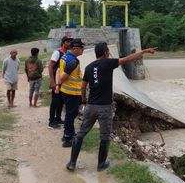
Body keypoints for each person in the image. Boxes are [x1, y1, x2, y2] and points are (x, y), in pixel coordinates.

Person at [66, 43, 157, 171]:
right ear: (105, 53)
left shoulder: (88, 67)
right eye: (108, 52)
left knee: (81, 134)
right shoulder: (108, 63)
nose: (109, 54)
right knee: (104, 136)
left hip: (91, 106)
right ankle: (101, 164)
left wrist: (83, 102)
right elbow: (128, 59)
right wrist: (144, 51)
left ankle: (72, 163)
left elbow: (82, 86)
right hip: (104, 107)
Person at [59, 38, 85, 147]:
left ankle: (68, 134)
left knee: (70, 114)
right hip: (71, 93)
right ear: (75, 49)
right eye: (81, 48)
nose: (83, 50)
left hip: (66, 91)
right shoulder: (72, 61)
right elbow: (62, 78)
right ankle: (68, 138)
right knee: (70, 115)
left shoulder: (65, 56)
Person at [47, 36, 72, 129]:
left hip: (63, 82)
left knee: (61, 101)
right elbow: (50, 66)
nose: (69, 43)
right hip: (56, 82)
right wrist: (53, 82)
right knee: (55, 101)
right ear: (63, 42)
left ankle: (58, 118)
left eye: (70, 42)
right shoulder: (57, 53)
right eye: (68, 41)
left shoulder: (67, 54)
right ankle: (51, 121)